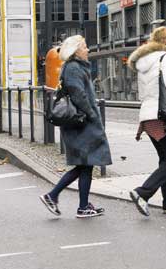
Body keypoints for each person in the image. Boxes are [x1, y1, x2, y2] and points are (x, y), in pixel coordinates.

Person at [39, 35, 112, 218]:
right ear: (76, 50)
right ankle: (55, 196)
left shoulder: (75, 67)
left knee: (85, 165)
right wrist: (93, 115)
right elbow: (79, 95)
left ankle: (79, 204)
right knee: (84, 165)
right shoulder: (73, 68)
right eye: (85, 47)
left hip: (81, 123)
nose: (88, 50)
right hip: (81, 123)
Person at [127, 27, 166, 216]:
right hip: (164, 115)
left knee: (165, 159)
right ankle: (142, 192)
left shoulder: (144, 62)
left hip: (148, 116)